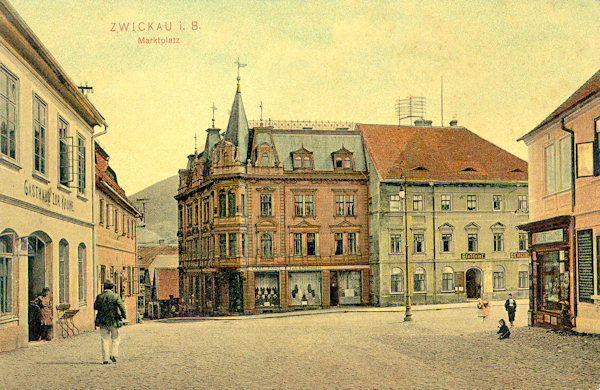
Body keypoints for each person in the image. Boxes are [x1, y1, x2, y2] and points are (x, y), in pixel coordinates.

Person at [94, 281, 126, 364]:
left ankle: (105, 359)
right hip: (113, 320)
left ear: (104, 287)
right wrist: (124, 316)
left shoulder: (99, 296)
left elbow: (95, 307)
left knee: (104, 339)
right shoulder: (115, 296)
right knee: (115, 338)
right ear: (112, 288)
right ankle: (114, 354)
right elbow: (121, 306)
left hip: (102, 320)